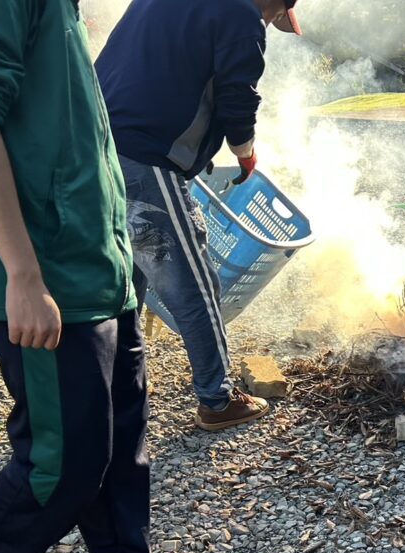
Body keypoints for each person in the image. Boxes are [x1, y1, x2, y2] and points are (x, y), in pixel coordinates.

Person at [0, 0, 214, 553]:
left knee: (123, 426)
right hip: (41, 266)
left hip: (91, 258)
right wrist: (23, 275)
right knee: (68, 451)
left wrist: (115, 256)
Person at [95, 0, 302, 432]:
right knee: (193, 282)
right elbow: (237, 98)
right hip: (146, 154)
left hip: (96, 143)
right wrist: (245, 153)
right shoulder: (242, 12)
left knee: (125, 277)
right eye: (273, 17)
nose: (267, 23)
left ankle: (114, 385)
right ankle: (217, 400)